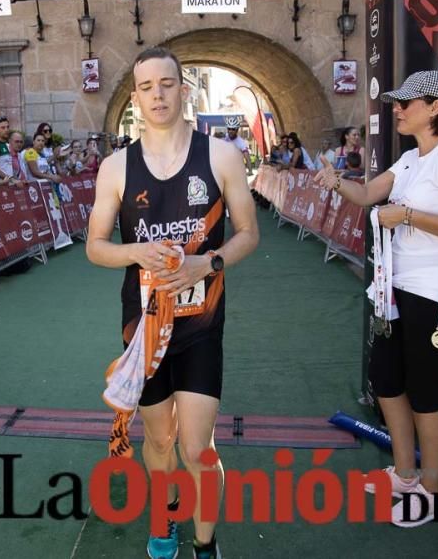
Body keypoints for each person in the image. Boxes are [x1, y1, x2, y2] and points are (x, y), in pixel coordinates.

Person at [86, 46, 259, 559]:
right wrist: (137, 251)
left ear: (184, 89)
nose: (158, 95)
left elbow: (248, 233)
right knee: (160, 443)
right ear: (135, 97)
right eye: (146, 87)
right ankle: (162, 521)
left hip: (202, 325)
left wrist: (209, 264)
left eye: (167, 84)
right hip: (144, 329)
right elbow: (96, 247)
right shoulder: (117, 168)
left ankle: (205, 544)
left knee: (197, 448)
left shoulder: (221, 155)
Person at [315, 69, 438, 527]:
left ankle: (433, 492)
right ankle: (406, 474)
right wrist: (335, 183)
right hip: (396, 289)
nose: (398, 108)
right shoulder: (411, 159)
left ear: (435, 108)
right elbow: (368, 194)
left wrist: (409, 214)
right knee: (387, 380)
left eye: (407, 102)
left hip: (433, 293)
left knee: (426, 394)